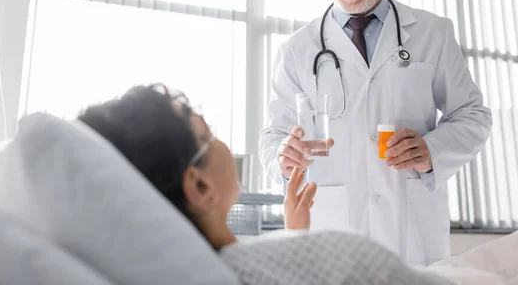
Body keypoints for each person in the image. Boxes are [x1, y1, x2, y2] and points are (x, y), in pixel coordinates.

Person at [258, 0, 492, 266]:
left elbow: (473, 115)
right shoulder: (298, 49)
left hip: (412, 231)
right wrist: (282, 158)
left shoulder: (433, 33)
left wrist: (433, 150)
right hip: (331, 235)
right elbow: (272, 137)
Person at [77, 84, 452, 285]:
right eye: (210, 134)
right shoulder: (341, 258)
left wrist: (295, 234)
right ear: (201, 188)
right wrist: (303, 248)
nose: (224, 146)